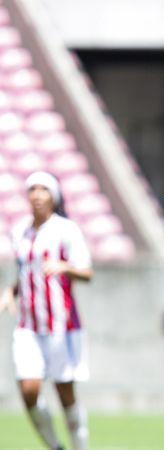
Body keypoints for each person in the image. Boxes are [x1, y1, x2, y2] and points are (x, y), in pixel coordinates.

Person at [0, 171, 93, 450]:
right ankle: (55, 446)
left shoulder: (66, 230)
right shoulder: (20, 231)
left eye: (44, 189)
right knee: (29, 390)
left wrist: (65, 267)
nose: (37, 195)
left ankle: (80, 446)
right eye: (33, 189)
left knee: (65, 392)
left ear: (54, 196)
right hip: (28, 326)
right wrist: (10, 291)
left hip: (61, 326)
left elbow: (86, 272)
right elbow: (26, 273)